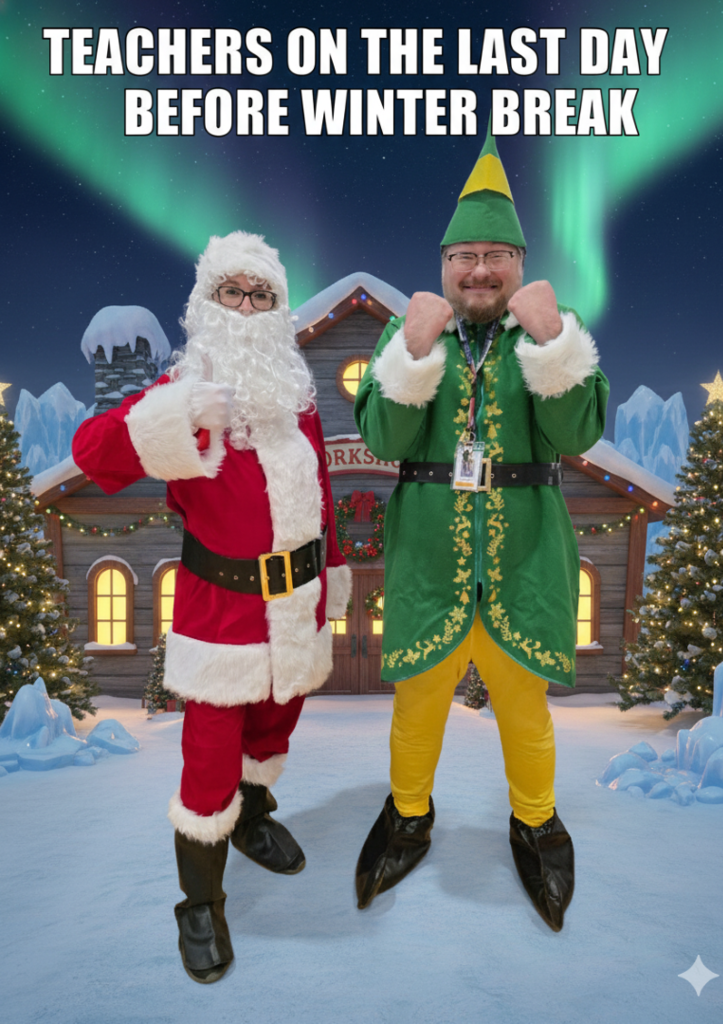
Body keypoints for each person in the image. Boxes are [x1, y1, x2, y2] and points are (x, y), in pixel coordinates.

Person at [73, 231, 351, 982]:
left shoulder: (296, 397)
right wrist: (174, 411)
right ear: (206, 302)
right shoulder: (178, 390)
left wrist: (334, 577)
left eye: (261, 295)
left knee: (275, 722)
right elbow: (93, 452)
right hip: (220, 608)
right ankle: (199, 905)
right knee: (208, 762)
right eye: (233, 291)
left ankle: (254, 816)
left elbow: (321, 492)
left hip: (295, 603)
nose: (248, 305)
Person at [353, 132, 609, 930]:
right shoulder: (408, 336)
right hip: (429, 560)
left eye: (496, 254)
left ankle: (535, 825)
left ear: (518, 264)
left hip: (525, 555)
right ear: (442, 266)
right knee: (416, 706)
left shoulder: (551, 330)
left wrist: (553, 342)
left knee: (523, 709)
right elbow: (388, 444)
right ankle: (407, 818)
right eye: (464, 254)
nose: (479, 269)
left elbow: (576, 431)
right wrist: (411, 350)